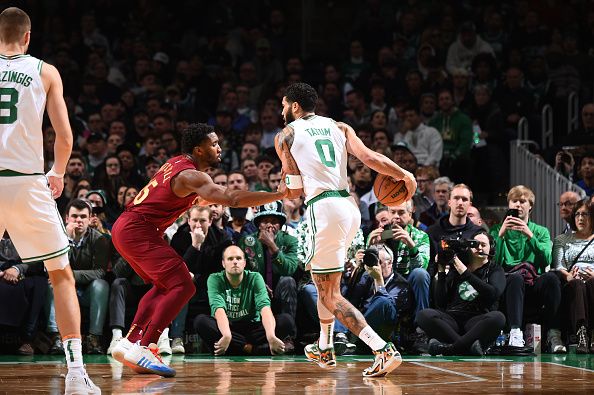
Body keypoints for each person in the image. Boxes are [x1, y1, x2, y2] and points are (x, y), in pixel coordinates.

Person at [110, 123, 287, 377]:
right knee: (184, 284)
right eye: (213, 144)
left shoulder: (177, 164)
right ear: (198, 149)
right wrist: (277, 195)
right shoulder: (193, 175)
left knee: (163, 286)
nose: (219, 148)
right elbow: (233, 199)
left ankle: (129, 341)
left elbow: (184, 197)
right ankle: (146, 346)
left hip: (128, 228)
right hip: (139, 230)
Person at [276, 82, 416, 377]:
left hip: (322, 208)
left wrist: (281, 186)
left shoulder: (285, 135)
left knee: (328, 294)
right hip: (347, 206)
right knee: (326, 284)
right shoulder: (339, 127)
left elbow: (294, 190)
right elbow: (370, 159)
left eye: (284, 105)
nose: (281, 110)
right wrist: (404, 174)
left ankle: (381, 348)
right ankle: (325, 347)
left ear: (295, 106)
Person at [0, 8, 100, 394]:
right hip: (26, 182)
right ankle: (76, 374)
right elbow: (64, 135)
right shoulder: (45, 71)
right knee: (61, 274)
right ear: (27, 37)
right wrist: (57, 171)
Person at [490, 185, 564, 353]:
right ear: (508, 205)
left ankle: (553, 334)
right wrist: (500, 235)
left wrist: (529, 235)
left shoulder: (540, 231)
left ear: (530, 206)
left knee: (553, 278)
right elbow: (493, 263)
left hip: (532, 282)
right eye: (514, 201)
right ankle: (516, 332)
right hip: (508, 284)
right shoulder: (496, 231)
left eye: (523, 201)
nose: (518, 205)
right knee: (515, 278)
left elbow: (546, 259)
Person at [194, 245, 295, 355]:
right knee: (201, 321)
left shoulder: (255, 277)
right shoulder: (215, 279)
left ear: (244, 263)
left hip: (252, 328)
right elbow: (218, 309)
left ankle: (236, 349)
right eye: (230, 259)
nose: (235, 262)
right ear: (223, 263)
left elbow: (264, 307)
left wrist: (271, 336)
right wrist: (227, 335)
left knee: (286, 320)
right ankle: (254, 350)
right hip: (228, 327)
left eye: (238, 258)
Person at [417, 230, 506, 355]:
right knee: (423, 315)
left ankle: (449, 348)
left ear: (491, 249)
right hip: (452, 320)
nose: (479, 248)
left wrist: (464, 272)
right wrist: (441, 271)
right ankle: (466, 347)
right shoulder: (457, 267)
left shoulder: (495, 269)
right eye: (475, 244)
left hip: (476, 320)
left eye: (483, 245)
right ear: (469, 248)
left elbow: (492, 293)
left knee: (498, 318)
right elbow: (441, 303)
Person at [552, 200, 594, 353]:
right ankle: (581, 333)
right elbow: (557, 265)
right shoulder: (562, 240)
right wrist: (568, 276)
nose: (580, 218)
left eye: (585, 214)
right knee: (578, 284)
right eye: (577, 214)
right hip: (572, 283)